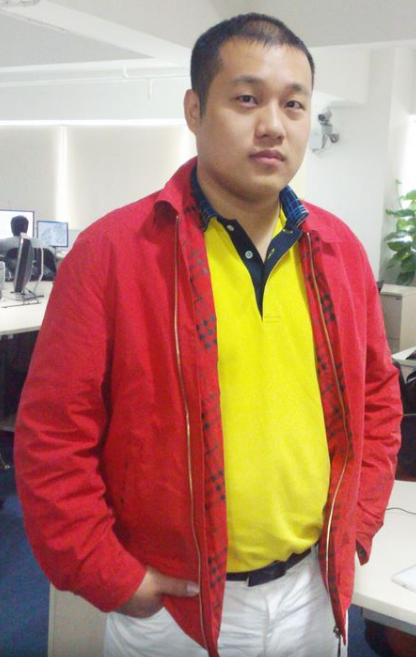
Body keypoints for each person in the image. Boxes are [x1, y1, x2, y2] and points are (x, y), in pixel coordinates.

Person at [14, 13, 402, 657]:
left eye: (294, 104)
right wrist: (110, 574)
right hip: (176, 608)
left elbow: (378, 402)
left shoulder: (337, 250)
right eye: (246, 99)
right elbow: (53, 437)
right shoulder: (114, 252)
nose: (273, 125)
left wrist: (357, 525)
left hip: (315, 591)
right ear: (195, 110)